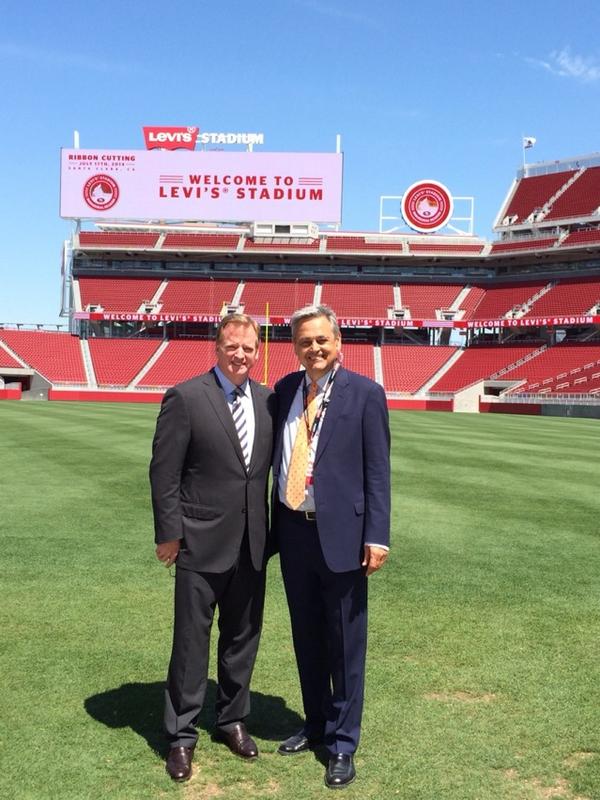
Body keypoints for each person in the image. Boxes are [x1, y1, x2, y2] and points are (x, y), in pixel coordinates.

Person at [150, 313, 275, 782]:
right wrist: (169, 533)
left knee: (242, 639)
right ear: (217, 349)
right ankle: (181, 735)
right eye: (231, 346)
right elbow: (164, 472)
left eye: (248, 347)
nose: (240, 354)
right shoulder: (186, 397)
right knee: (191, 643)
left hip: (252, 545)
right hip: (199, 542)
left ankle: (232, 719)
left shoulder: (269, 401)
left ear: (257, 350)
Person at [271, 304, 391, 789]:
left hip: (342, 535)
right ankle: (316, 723)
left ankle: (343, 743)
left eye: (322, 340)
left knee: (345, 644)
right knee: (307, 635)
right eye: (305, 342)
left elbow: (377, 471)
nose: (314, 349)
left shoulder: (365, 394)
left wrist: (376, 535)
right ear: (295, 347)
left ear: (338, 341)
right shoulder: (284, 391)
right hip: (293, 530)